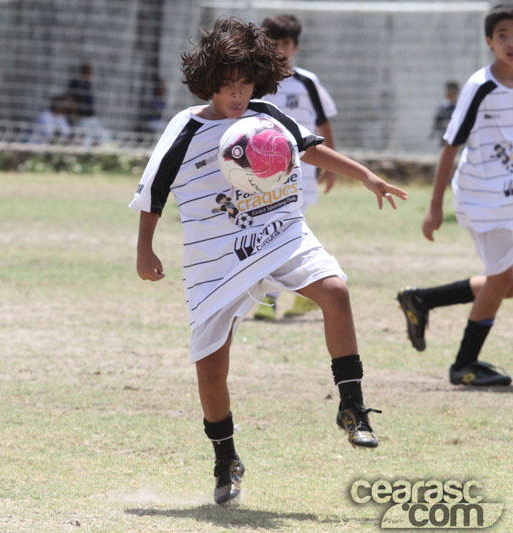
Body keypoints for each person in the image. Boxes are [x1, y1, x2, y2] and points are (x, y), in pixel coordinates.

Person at [130, 18, 406, 506]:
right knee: (212, 365)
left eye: (245, 83)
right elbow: (153, 191)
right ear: (208, 81)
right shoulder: (186, 128)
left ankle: (353, 407)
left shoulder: (265, 116)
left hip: (277, 229)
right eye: (228, 85)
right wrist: (144, 247)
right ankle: (225, 458)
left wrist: (367, 176)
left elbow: (312, 148)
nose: (238, 95)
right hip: (215, 251)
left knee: (335, 291)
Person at [397, 5, 513, 387]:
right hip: (484, 201)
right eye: (502, 35)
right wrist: (434, 207)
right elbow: (450, 146)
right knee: (502, 278)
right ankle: (464, 365)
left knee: (504, 283)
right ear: (488, 42)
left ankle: (423, 300)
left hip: (508, 198)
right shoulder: (480, 87)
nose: (510, 42)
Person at [255, 14, 339, 319]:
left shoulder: (307, 82)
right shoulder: (256, 81)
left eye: (286, 43)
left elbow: (323, 122)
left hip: (302, 170)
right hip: (264, 172)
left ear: (296, 47)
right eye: (273, 43)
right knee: (273, 230)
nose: (280, 49)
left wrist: (330, 165)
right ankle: (311, 288)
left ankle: (278, 297)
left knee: (284, 231)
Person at [66, 63, 112, 146]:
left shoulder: (88, 84)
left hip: (91, 117)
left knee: (105, 135)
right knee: (86, 138)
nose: (90, 74)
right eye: (88, 72)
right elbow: (72, 102)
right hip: (81, 118)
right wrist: (75, 117)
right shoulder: (76, 83)